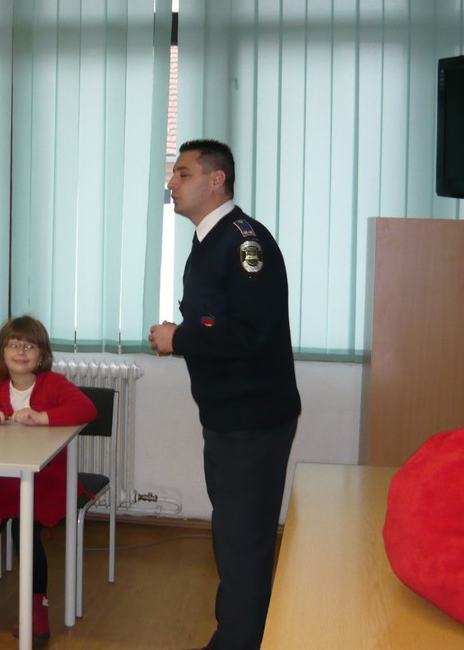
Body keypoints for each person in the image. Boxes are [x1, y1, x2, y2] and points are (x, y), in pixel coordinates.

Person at [148, 139, 301, 650]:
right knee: (235, 536)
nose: (172, 183)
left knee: (242, 541)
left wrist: (179, 339)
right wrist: (188, 334)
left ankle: (238, 641)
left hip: (251, 420)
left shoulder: (243, 243)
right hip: (229, 417)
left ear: (216, 180)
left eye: (183, 173)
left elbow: (252, 332)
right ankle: (239, 634)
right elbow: (221, 321)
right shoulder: (209, 240)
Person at [0, 315, 97, 641]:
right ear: (2, 351)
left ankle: (37, 610)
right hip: (0, 481)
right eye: (14, 345)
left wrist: (42, 417)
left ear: (42, 355)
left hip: (44, 482)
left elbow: (86, 409)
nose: (21, 352)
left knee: (23, 531)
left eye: (29, 346)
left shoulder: (52, 383)